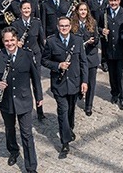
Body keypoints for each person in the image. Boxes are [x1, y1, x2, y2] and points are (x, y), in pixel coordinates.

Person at [0, 28, 43, 173]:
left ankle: (31, 167)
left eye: (12, 40)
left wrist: (39, 97)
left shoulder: (27, 55)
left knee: (27, 133)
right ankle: (13, 151)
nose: (10, 43)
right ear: (2, 41)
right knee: (10, 129)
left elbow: (35, 78)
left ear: (17, 39)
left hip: (24, 100)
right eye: (6, 41)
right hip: (6, 102)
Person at [41, 16, 88, 159]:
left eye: (66, 26)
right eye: (61, 26)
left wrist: (84, 81)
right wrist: (58, 65)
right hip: (59, 84)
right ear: (57, 27)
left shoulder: (78, 40)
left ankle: (70, 128)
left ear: (70, 26)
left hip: (74, 83)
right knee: (63, 111)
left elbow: (83, 62)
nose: (64, 28)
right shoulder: (51, 41)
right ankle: (65, 142)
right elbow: (44, 60)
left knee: (71, 110)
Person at [11, 1, 47, 121]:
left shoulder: (36, 22)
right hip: (22, 57)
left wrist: (43, 56)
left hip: (35, 55)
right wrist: (17, 43)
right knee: (23, 84)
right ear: (20, 10)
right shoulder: (15, 23)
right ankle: (23, 110)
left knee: (37, 83)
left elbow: (41, 40)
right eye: (24, 8)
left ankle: (40, 111)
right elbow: (11, 40)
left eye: (28, 8)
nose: (26, 10)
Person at [100, 0, 123, 110]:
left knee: (121, 74)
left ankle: (122, 96)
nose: (113, 3)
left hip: (121, 50)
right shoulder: (104, 13)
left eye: (115, 0)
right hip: (109, 49)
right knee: (112, 74)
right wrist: (102, 30)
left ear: (119, 1)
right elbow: (98, 26)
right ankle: (114, 93)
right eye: (111, 0)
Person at [72, 3, 100, 116]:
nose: (83, 12)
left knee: (91, 83)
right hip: (78, 58)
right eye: (81, 10)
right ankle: (79, 92)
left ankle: (88, 105)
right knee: (78, 79)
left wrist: (94, 41)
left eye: (85, 10)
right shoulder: (72, 24)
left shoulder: (93, 22)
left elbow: (97, 38)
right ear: (77, 11)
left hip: (90, 56)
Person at [87, 0, 110, 72]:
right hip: (93, 27)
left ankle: (104, 62)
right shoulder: (90, 1)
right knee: (93, 46)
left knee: (105, 46)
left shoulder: (108, 1)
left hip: (105, 28)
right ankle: (93, 63)